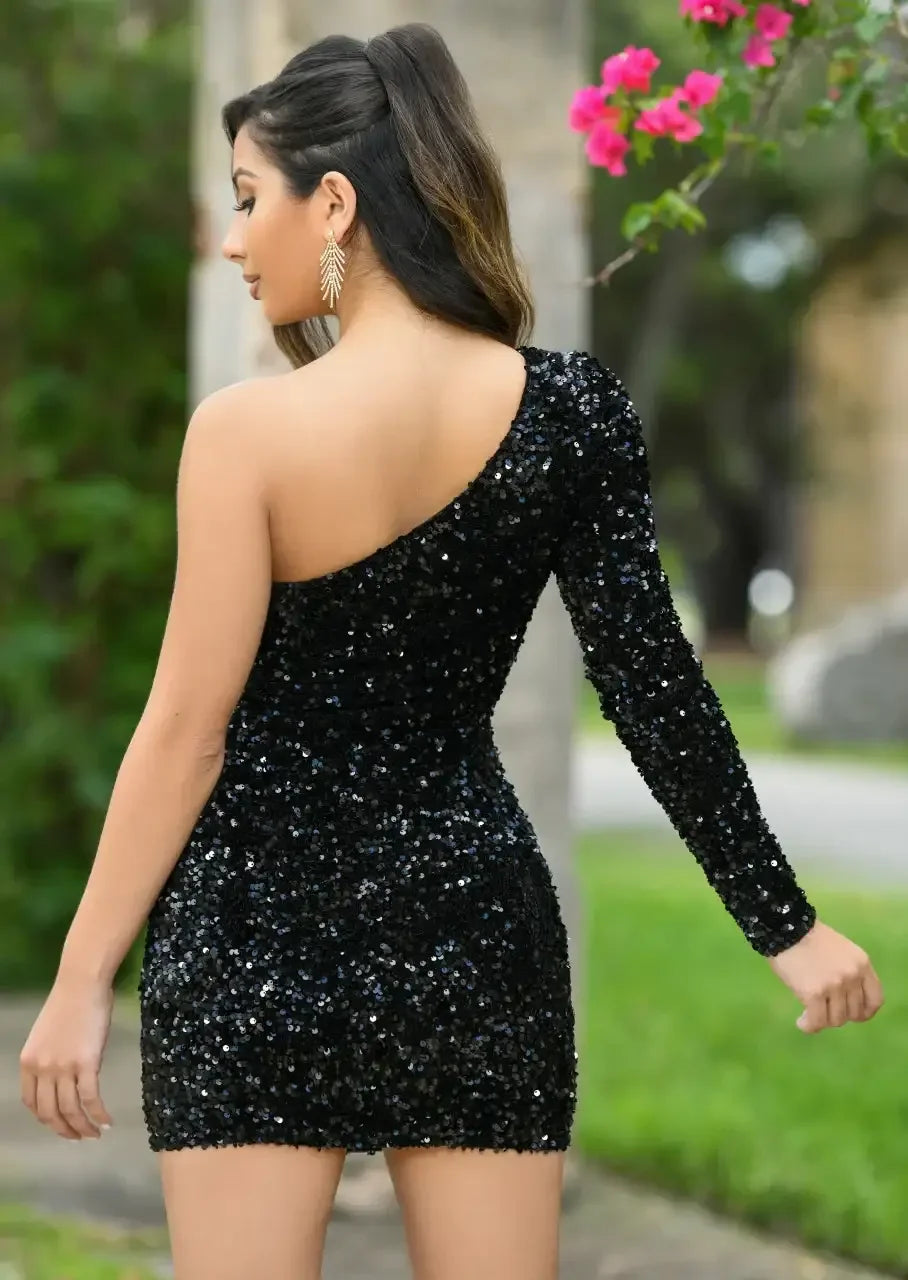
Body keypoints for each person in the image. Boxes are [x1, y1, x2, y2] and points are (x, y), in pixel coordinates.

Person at [19, 21, 883, 1280]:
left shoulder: (245, 436)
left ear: (333, 204)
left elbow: (186, 731)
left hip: (251, 932)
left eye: (247, 198)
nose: (229, 237)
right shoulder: (570, 412)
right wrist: (783, 923)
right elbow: (656, 693)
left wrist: (80, 977)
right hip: (470, 928)